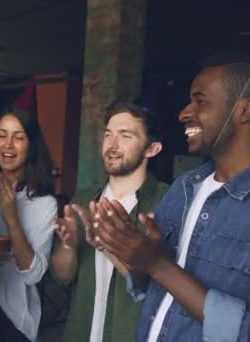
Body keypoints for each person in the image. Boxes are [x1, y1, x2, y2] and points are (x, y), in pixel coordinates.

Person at [93, 55, 250, 341]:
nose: (183, 113)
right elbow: (150, 286)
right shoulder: (183, 189)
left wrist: (159, 264)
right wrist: (133, 254)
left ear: (247, 109)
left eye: (200, 101)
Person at [50, 102, 167, 342]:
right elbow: (62, 277)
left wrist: (107, 243)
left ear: (152, 149)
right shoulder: (84, 199)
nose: (111, 145)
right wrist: (69, 246)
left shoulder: (166, 203)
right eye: (108, 135)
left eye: (125, 136)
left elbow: (161, 287)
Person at [0, 107, 58, 342]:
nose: (8, 144)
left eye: (18, 137)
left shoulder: (44, 203)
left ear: (31, 145)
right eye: (2, 135)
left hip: (13, 321)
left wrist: (12, 217)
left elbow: (33, 276)